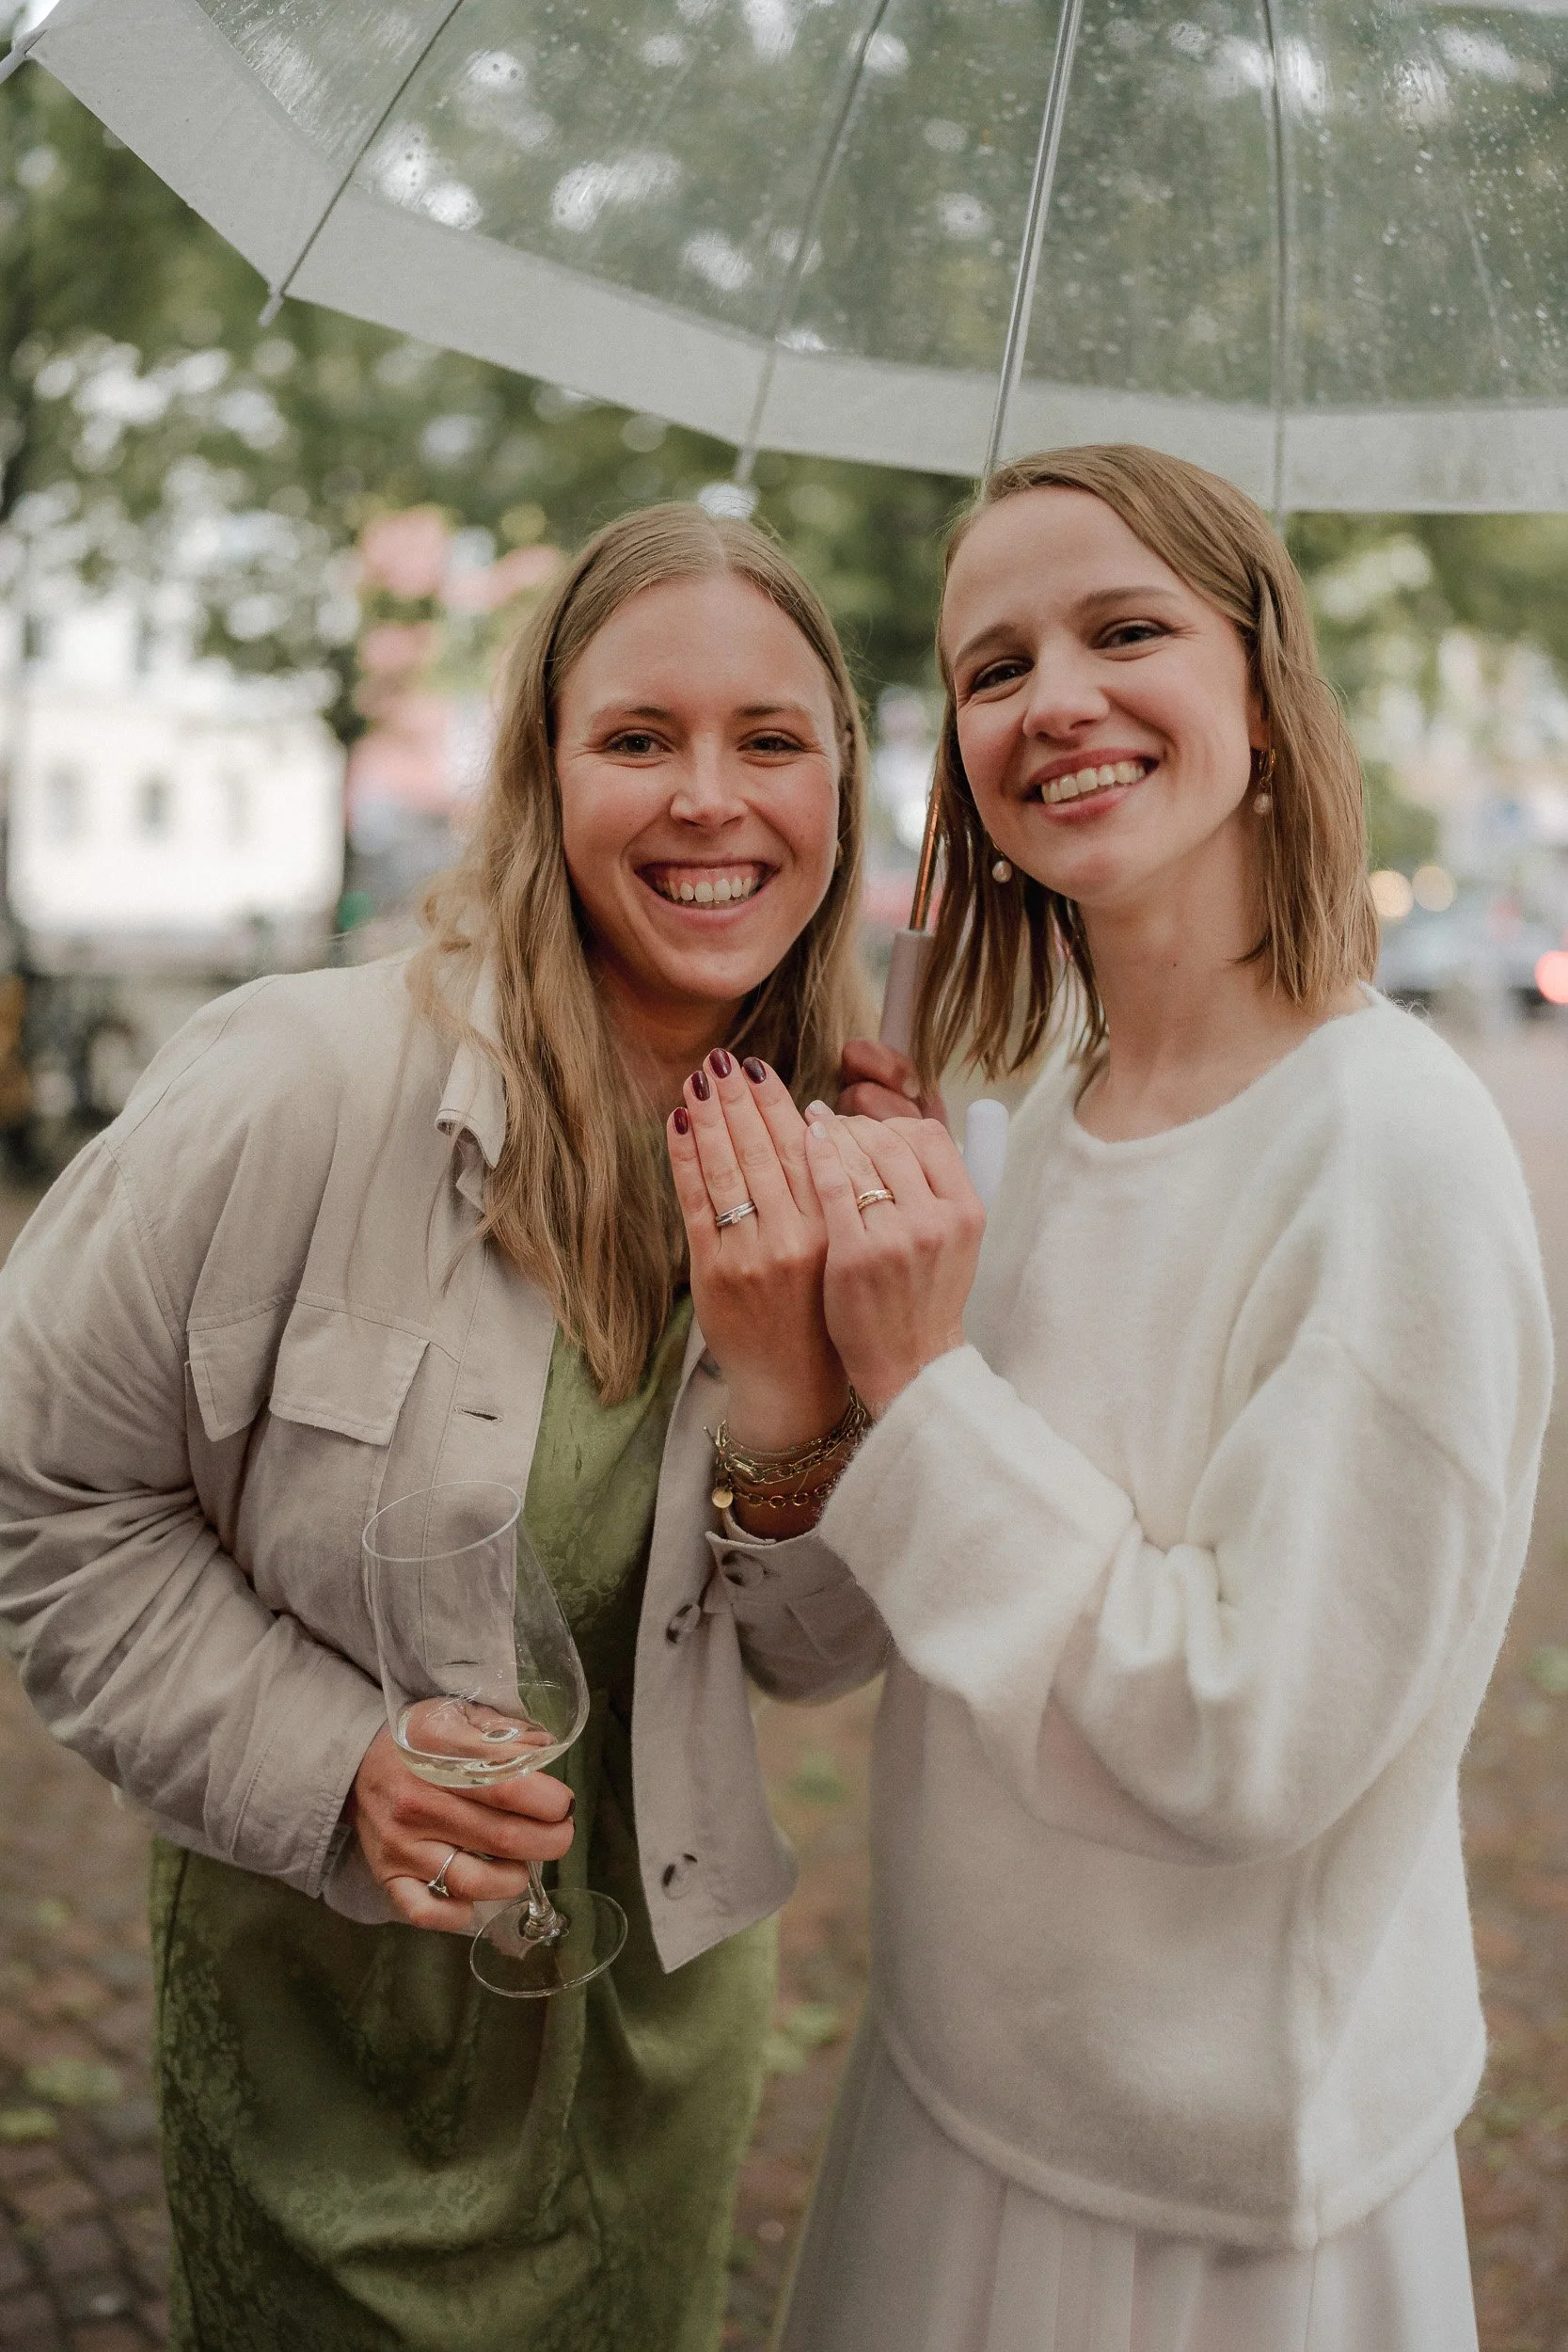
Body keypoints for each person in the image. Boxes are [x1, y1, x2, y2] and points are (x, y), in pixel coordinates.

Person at [674, 446, 1552, 2351]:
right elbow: (842, 1642)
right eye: (990, 664)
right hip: (952, 2091)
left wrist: (919, 1379)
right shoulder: (1038, 1125)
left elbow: (1241, 1736)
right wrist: (807, 1357)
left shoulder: (1387, 1149)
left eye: (1122, 627)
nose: (1051, 694)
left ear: (1258, 688)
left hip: (1201, 2209)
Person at [0, 502, 891, 2352]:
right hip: (327, 2038)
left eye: (770, 739)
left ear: (841, 787)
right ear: (539, 773)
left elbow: (813, 1658)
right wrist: (338, 1759)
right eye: (638, 737)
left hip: (656, 2037)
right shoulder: (290, 1082)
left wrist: (798, 1366)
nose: (709, 798)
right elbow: (48, 1493)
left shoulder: (843, 1165)